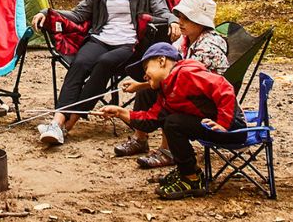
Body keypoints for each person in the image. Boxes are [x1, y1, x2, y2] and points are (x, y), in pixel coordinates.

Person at [30, 0, 178, 145]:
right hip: (100, 39)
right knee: (80, 63)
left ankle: (68, 123)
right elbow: (79, 14)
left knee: (104, 63)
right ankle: (57, 123)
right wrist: (48, 12)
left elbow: (163, 11)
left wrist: (173, 21)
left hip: (130, 45)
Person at [101, 42, 247, 200]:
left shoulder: (186, 74)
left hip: (232, 128)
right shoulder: (166, 92)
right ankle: (190, 171)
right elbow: (149, 120)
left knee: (173, 123)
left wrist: (223, 123)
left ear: (162, 61)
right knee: (170, 121)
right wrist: (119, 112)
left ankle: (191, 179)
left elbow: (224, 87)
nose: (144, 76)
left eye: (145, 69)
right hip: (213, 127)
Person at [114, 0, 229, 167]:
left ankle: (167, 150)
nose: (180, 22)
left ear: (201, 22)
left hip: (204, 101)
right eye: (180, 17)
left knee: (165, 93)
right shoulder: (185, 40)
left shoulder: (208, 47)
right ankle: (140, 139)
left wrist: (145, 85)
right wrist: (142, 85)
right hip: (188, 91)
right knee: (147, 90)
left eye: (186, 18)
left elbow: (184, 81)